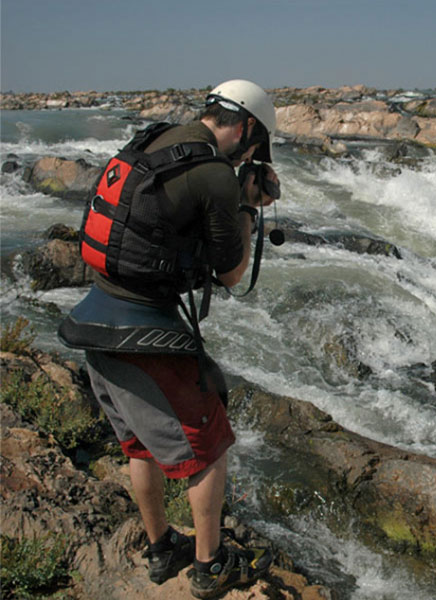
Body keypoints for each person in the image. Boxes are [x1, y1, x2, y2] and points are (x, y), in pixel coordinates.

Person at [58, 79, 278, 598]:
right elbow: (230, 274)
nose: (251, 154)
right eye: (254, 143)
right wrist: (247, 206)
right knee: (209, 447)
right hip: (143, 330)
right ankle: (210, 566)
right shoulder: (215, 177)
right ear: (246, 127)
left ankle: (161, 549)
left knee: (140, 444)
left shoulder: (154, 141)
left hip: (96, 314)